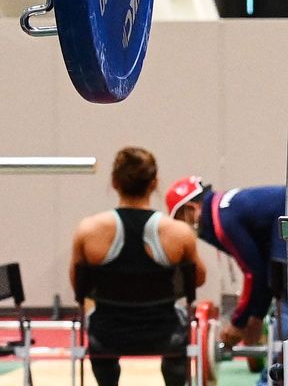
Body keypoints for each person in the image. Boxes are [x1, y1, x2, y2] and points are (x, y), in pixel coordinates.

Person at [165, 178, 288, 385]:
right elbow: (267, 270)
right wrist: (254, 316)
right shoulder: (226, 208)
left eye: (179, 219)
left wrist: (241, 322)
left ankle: (278, 377)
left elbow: (255, 274)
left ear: (191, 209)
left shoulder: (223, 222)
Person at [70, 148, 206, 386]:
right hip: (165, 333)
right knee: (180, 328)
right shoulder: (179, 234)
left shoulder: (88, 231)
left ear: (114, 182)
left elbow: (79, 285)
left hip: (107, 334)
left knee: (98, 327)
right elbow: (198, 279)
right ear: (154, 184)